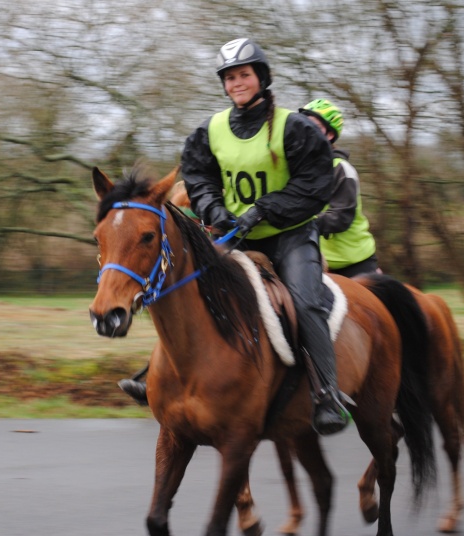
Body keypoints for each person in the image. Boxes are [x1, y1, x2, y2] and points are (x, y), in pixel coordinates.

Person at [120, 38, 349, 435]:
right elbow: (200, 177)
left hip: (289, 236)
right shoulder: (212, 130)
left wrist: (263, 210)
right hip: (235, 235)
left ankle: (327, 392)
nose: (237, 83)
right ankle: (153, 374)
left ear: (261, 78)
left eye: (243, 75)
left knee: (306, 301)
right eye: (229, 77)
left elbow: (313, 184)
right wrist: (216, 212)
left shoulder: (293, 127)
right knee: (181, 283)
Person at [298, 98, 381, 278]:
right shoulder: (297, 169)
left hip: (353, 262)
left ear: (329, 135)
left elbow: (340, 217)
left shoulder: (341, 169)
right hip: (315, 260)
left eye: (313, 127)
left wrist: (301, 224)